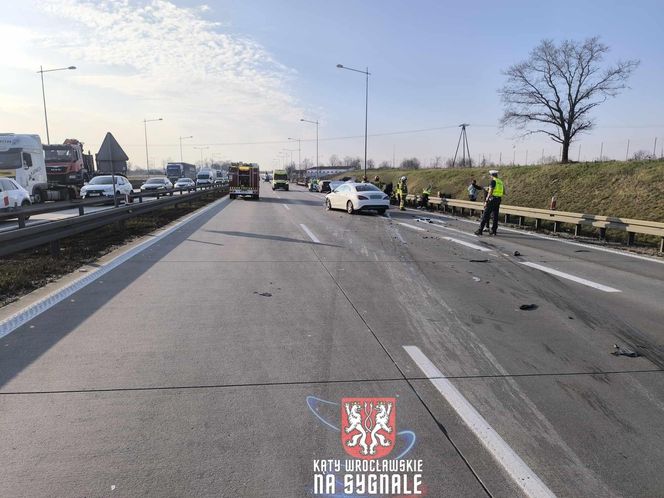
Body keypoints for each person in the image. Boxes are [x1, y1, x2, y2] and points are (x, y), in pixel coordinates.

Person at [475, 170, 504, 236]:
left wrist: (486, 200)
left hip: (492, 200)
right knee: (495, 216)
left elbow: (490, 192)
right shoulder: (500, 182)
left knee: (485, 215)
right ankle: (493, 231)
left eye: (490, 175)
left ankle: (480, 230)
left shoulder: (493, 181)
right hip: (498, 199)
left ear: (492, 175)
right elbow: (503, 192)